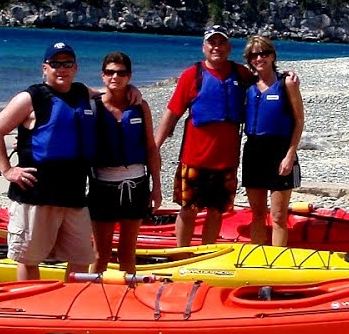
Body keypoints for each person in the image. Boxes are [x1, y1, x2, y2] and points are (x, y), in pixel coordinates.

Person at [0, 41, 97, 280]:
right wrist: (7, 169)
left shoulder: (81, 93)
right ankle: (29, 307)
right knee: (29, 258)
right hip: (35, 194)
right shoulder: (31, 97)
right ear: (45, 68)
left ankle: (71, 308)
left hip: (74, 195)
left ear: (75, 68)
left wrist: (132, 92)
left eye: (67, 64)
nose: (61, 69)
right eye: (55, 64)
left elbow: (110, 94)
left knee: (81, 258)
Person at [154, 25, 254, 246]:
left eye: (221, 43)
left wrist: (286, 80)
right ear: (204, 47)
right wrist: (155, 147)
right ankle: (182, 254)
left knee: (217, 212)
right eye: (212, 43)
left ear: (228, 47)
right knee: (188, 210)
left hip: (227, 161)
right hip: (194, 159)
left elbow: (266, 84)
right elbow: (172, 112)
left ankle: (205, 252)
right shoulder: (192, 75)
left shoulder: (242, 74)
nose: (216, 47)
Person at [89, 51, 164, 274]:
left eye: (121, 73)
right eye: (110, 72)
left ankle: (128, 294)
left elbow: (151, 147)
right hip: (103, 185)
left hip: (136, 185)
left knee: (127, 252)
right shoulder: (93, 107)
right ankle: (92, 295)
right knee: (100, 253)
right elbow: (67, 92)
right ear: (102, 75)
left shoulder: (141, 107)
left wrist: (157, 187)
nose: (115, 77)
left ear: (129, 76)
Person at [240, 36, 305, 246]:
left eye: (264, 53)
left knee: (278, 216)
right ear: (249, 59)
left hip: (280, 151)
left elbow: (299, 120)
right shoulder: (247, 85)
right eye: (254, 54)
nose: (260, 58)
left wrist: (289, 156)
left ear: (272, 56)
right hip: (253, 152)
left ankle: (277, 262)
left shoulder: (286, 83)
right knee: (257, 215)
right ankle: (258, 258)